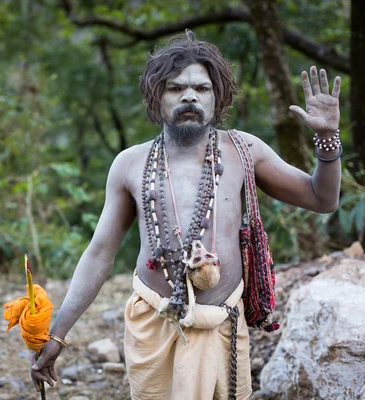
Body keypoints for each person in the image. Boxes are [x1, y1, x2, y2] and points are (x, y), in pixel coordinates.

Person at [31, 30, 341, 399]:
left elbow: (321, 198)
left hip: (223, 328)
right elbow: (100, 252)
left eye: (202, 88)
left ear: (217, 97)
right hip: (154, 326)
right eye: (176, 88)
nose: (190, 95)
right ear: (156, 97)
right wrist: (57, 333)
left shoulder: (243, 150)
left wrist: (327, 139)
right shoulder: (131, 163)